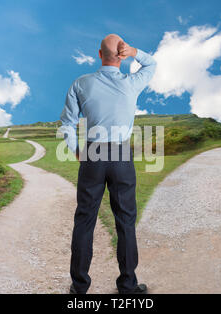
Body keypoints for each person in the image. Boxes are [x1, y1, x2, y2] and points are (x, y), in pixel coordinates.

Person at [60, 34, 157, 294]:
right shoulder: (132, 83)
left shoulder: (80, 84)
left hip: (92, 153)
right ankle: (127, 285)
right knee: (125, 221)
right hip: (121, 156)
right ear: (121, 56)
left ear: (99, 55)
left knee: (85, 219)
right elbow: (152, 65)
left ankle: (79, 288)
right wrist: (135, 51)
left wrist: (77, 149)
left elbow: (67, 123)